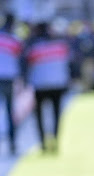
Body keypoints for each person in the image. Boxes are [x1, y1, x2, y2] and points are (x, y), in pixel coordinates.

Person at [23, 20, 71, 154]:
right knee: (56, 114)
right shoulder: (61, 46)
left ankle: (43, 142)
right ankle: (55, 138)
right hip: (58, 84)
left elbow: (26, 64)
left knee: (39, 115)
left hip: (40, 85)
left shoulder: (34, 48)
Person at [0, 12, 22, 156]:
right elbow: (21, 59)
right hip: (8, 78)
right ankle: (13, 143)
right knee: (9, 111)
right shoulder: (15, 40)